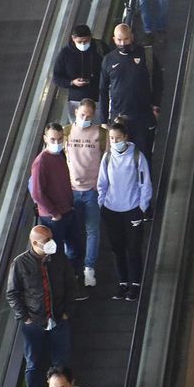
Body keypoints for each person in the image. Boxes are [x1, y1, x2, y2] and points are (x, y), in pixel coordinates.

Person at [5, 225, 77, 387]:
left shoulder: (59, 259)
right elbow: (12, 293)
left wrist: (67, 311)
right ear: (35, 242)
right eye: (47, 241)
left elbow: (71, 286)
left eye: (51, 238)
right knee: (33, 364)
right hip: (34, 324)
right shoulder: (20, 263)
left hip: (59, 319)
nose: (52, 243)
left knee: (62, 362)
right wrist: (26, 318)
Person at [97, 119, 153, 300]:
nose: (114, 142)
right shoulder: (107, 158)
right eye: (112, 138)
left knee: (134, 248)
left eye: (118, 138)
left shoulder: (137, 156)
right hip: (111, 210)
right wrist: (102, 203)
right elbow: (102, 183)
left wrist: (142, 207)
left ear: (126, 137)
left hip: (132, 209)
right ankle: (122, 283)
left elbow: (145, 184)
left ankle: (135, 284)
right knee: (117, 249)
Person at [64, 99, 106, 290]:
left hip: (91, 192)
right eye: (82, 115)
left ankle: (89, 268)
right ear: (76, 111)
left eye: (89, 116)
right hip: (71, 191)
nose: (85, 118)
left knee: (92, 231)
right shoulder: (65, 133)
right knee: (71, 231)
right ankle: (71, 267)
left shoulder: (101, 134)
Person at [99, 23, 161, 153]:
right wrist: (103, 120)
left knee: (144, 153)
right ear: (114, 39)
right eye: (119, 40)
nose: (123, 43)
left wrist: (156, 106)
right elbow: (103, 90)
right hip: (119, 116)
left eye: (126, 39)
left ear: (131, 36)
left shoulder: (146, 55)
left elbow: (158, 81)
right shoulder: (108, 60)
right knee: (120, 154)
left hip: (143, 115)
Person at [30, 124, 80, 272]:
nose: (57, 143)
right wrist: (55, 213)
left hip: (68, 211)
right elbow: (37, 193)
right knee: (55, 255)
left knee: (75, 249)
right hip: (53, 218)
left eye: (60, 139)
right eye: (53, 139)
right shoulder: (41, 162)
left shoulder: (60, 155)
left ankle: (73, 279)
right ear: (45, 139)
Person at [52, 23, 104, 120]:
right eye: (79, 41)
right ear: (73, 38)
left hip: (98, 97)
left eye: (86, 41)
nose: (83, 44)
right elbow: (56, 77)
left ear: (90, 37)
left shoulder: (100, 48)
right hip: (76, 100)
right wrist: (72, 82)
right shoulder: (65, 53)